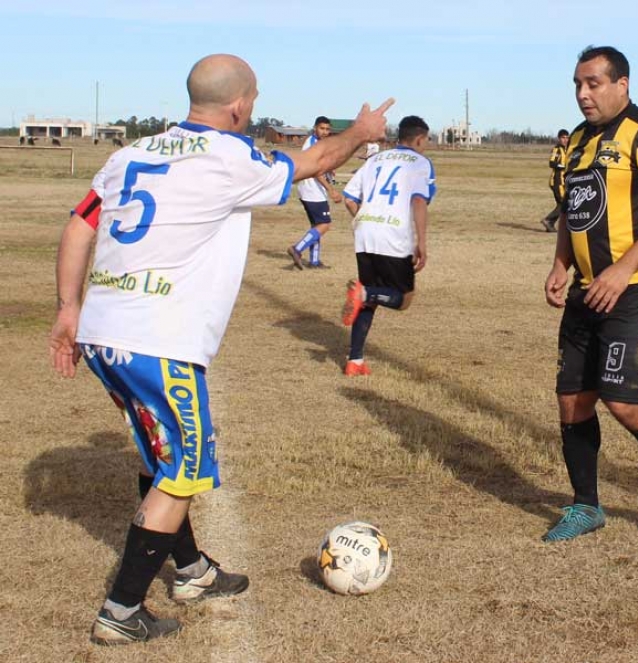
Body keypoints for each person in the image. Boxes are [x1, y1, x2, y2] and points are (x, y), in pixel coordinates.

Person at [49, 53, 392, 645]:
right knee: (182, 469)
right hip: (157, 339)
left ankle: (191, 571)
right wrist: (361, 134)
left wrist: (67, 306)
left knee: (161, 452)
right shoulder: (231, 157)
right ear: (240, 104)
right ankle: (121, 610)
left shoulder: (131, 152)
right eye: (253, 99)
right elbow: (314, 161)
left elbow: (81, 224)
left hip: (106, 330)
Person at [543, 46, 638, 542]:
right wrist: (560, 264)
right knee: (572, 403)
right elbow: (573, 210)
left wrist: (622, 268)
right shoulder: (577, 142)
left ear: (621, 84)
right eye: (577, 85)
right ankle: (586, 506)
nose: (583, 94)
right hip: (586, 291)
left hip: (637, 288)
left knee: (624, 401)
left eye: (593, 84)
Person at [339, 115, 435, 376]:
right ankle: (364, 294)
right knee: (403, 299)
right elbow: (418, 202)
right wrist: (422, 244)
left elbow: (348, 199)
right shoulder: (420, 163)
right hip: (393, 235)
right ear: (419, 138)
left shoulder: (375, 159)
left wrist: (366, 220)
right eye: (425, 140)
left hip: (364, 232)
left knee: (369, 296)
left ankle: (354, 360)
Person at [286, 116, 344, 269]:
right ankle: (297, 249)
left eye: (327, 129)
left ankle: (314, 261)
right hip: (312, 191)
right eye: (322, 128)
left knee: (316, 226)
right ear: (315, 128)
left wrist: (329, 168)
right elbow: (315, 171)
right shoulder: (311, 144)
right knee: (325, 225)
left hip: (311, 191)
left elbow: (321, 165)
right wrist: (331, 190)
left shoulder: (318, 143)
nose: (325, 132)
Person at [541, 129, 569, 232]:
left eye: (567, 137)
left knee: (560, 205)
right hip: (557, 181)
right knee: (564, 204)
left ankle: (550, 225)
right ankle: (548, 220)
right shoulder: (557, 149)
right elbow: (551, 163)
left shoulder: (567, 149)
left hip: (563, 181)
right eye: (563, 138)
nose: (565, 140)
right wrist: (563, 166)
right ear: (559, 139)